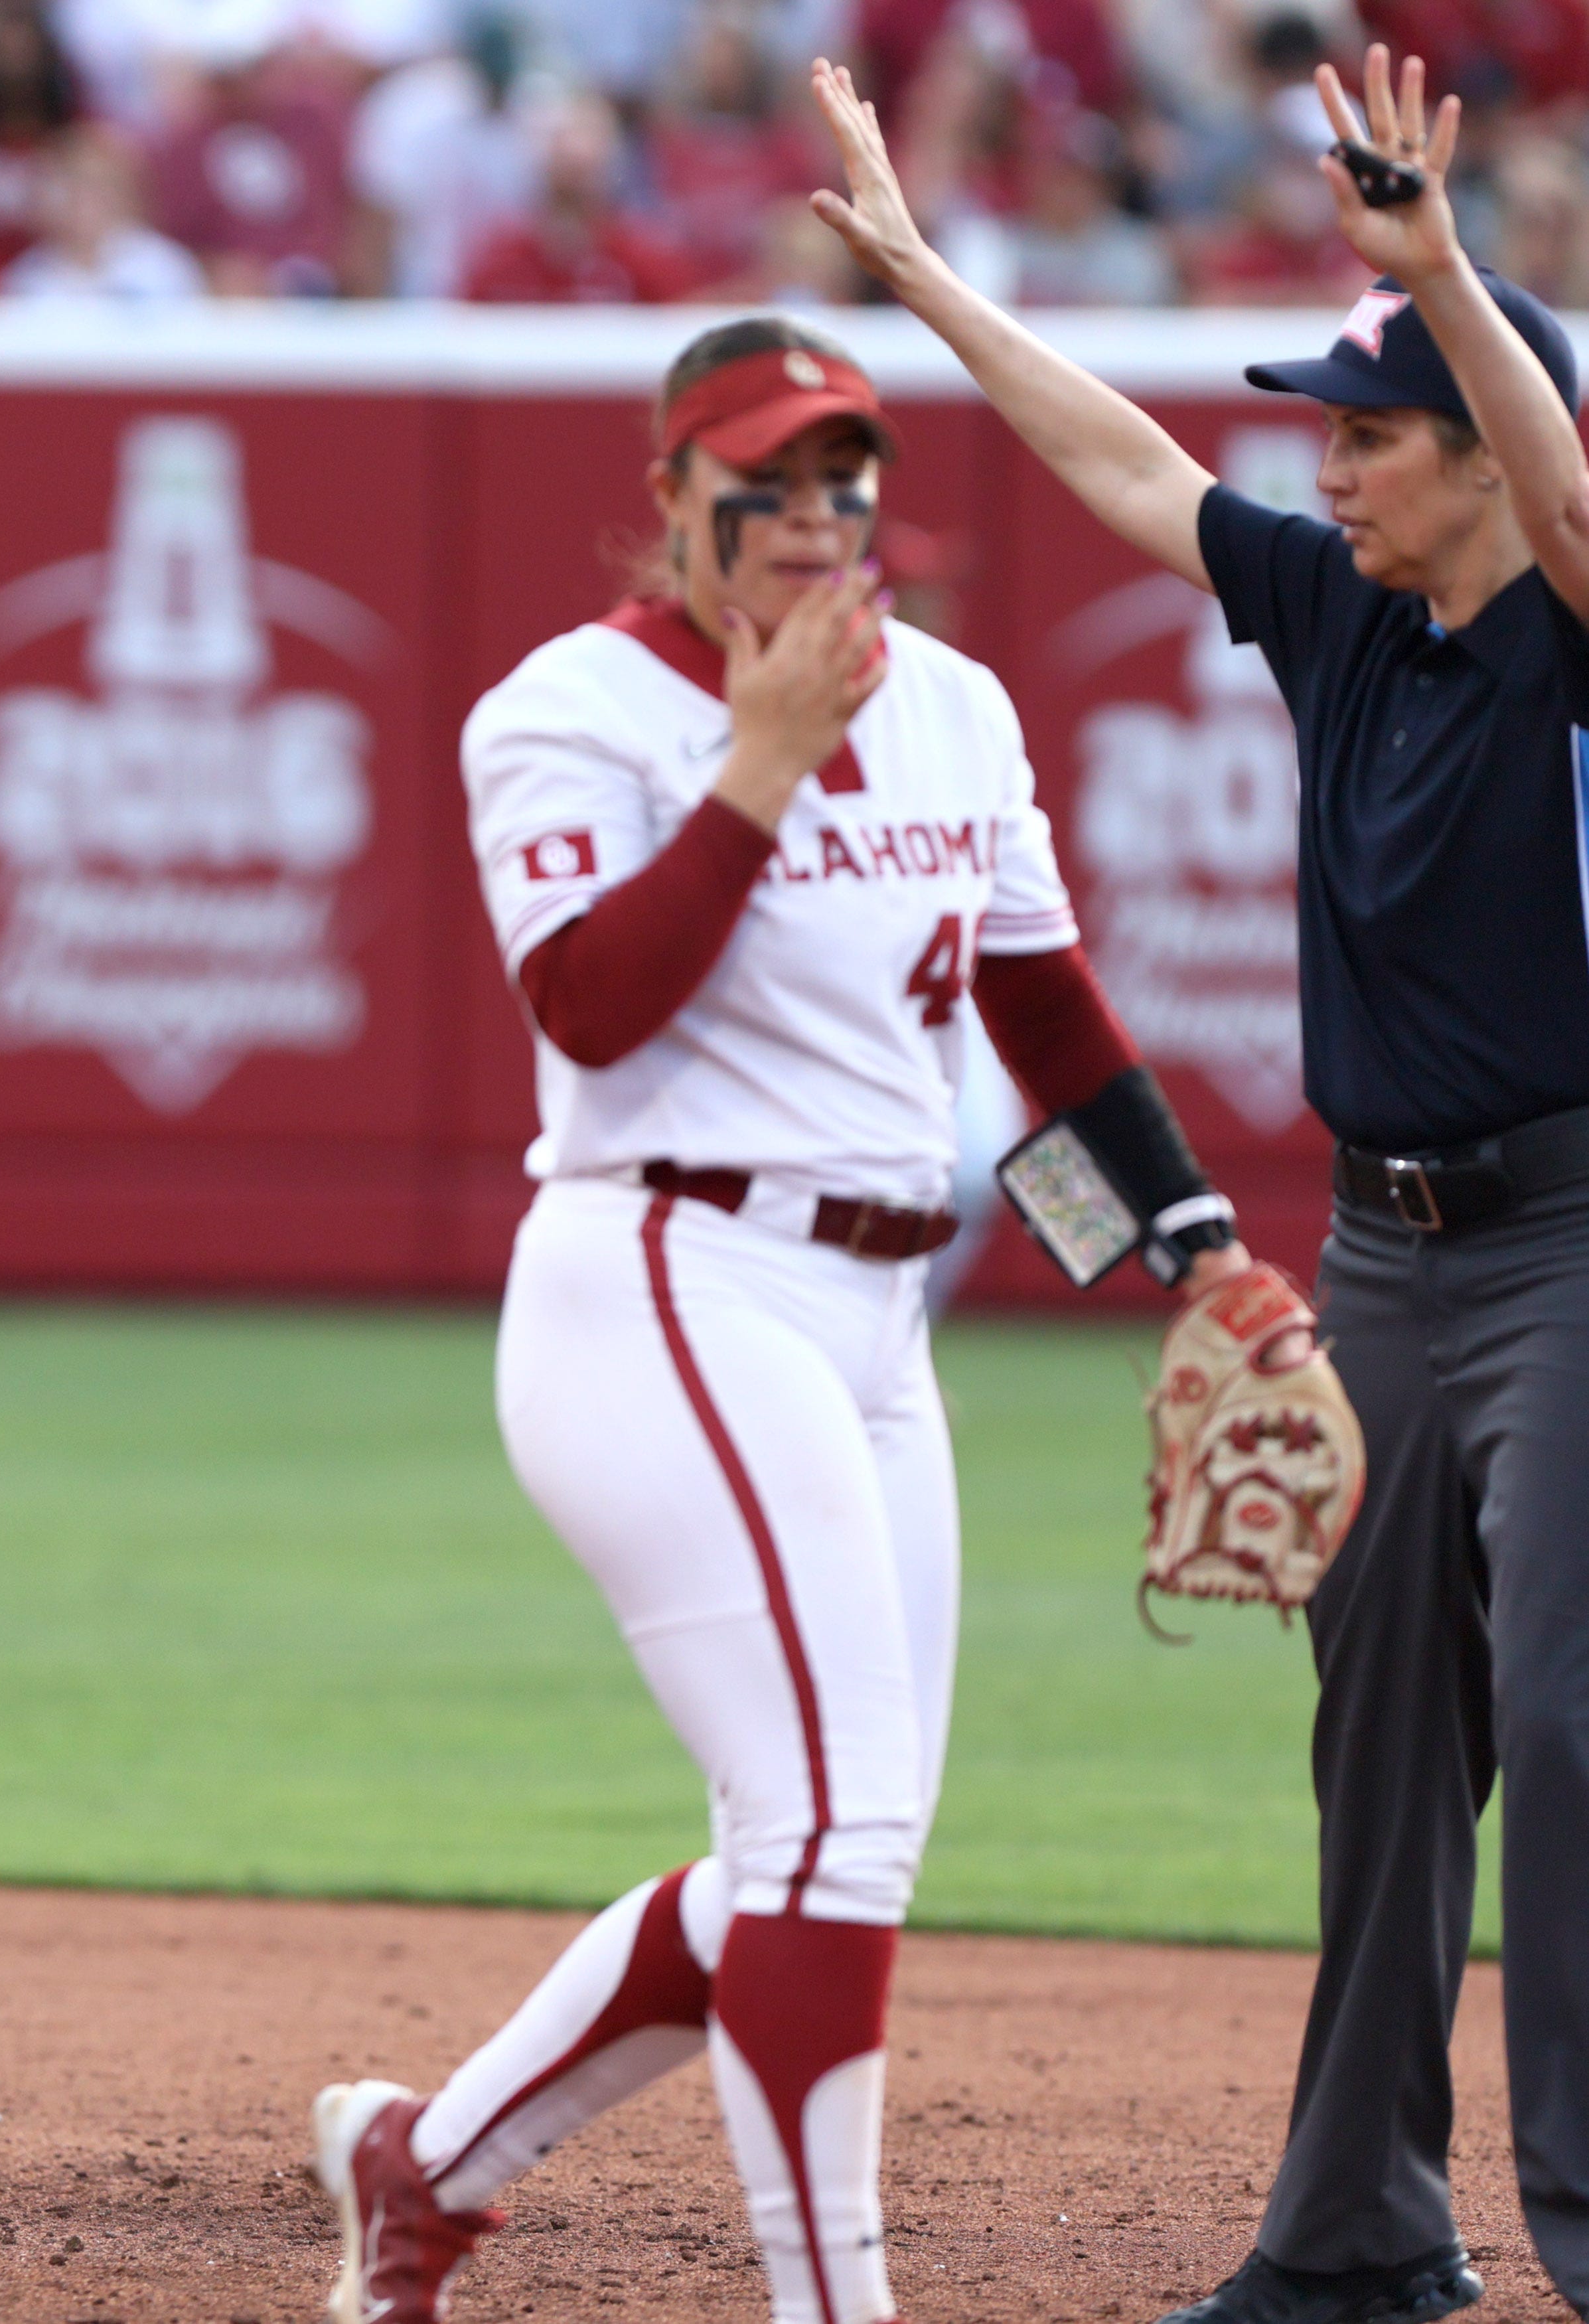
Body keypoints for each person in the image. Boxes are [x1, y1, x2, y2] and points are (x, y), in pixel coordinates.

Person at [315, 313, 1266, 2324]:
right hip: (667, 1273)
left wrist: (1188, 1244)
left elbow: (1040, 1014)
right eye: (766, 487)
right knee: (826, 1824)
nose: (817, 522)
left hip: (874, 1315)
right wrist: (752, 766)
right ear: (671, 501)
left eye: (846, 483)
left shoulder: (952, 708)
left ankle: (432, 2166)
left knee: (832, 1841)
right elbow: (587, 1006)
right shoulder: (566, 711)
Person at [808, 39, 1589, 2324]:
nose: (1322, 470)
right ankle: (1353, 2231)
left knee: (1560, 1703)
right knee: (1378, 1729)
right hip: (1384, 1248)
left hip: (1568, 1242)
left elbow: (1571, 506)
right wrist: (935, 283)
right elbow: (1127, 464)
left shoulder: (1557, 623)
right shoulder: (1341, 613)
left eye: (1364, 434)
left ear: (1474, 452)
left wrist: (1438, 267)